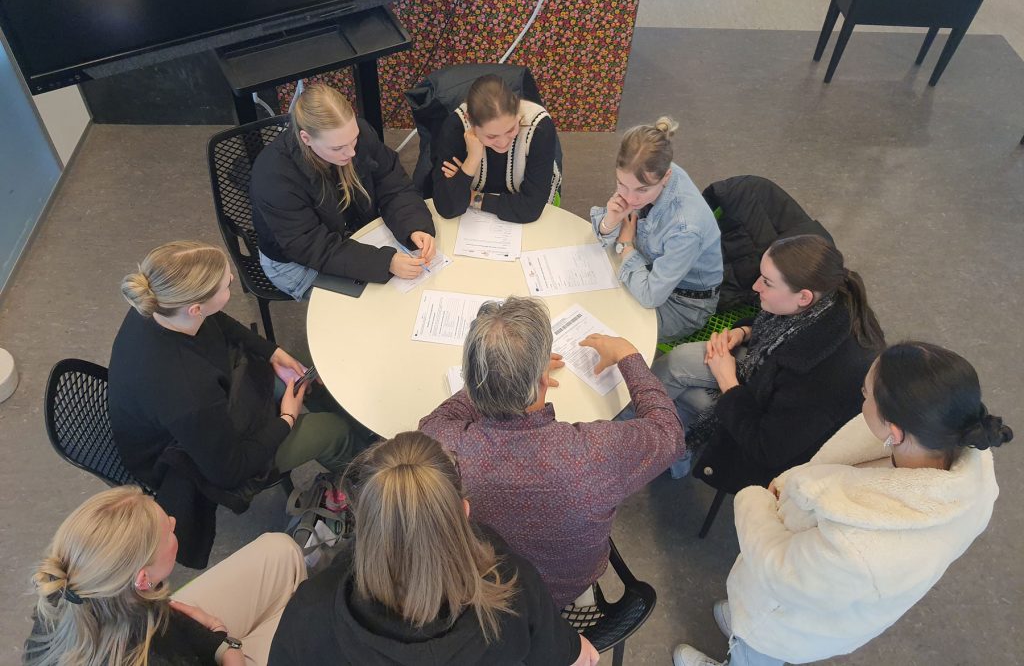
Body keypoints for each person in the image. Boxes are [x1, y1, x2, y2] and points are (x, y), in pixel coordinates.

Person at [672, 341, 1013, 666]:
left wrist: (753, 500)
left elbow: (781, 571)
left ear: (893, 431)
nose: (860, 397)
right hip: (831, 598)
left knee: (756, 652)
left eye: (866, 395)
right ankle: (741, 623)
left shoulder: (860, 547)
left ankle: (743, 642)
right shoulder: (962, 461)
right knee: (748, 627)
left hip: (787, 618)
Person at [419, 296, 685, 607]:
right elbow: (669, 432)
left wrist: (496, 374)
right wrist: (628, 355)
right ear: (543, 379)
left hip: (485, 584)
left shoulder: (446, 444)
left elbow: (432, 421)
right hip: (566, 589)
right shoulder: (592, 454)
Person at [109, 241, 359, 568]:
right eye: (226, 284)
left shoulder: (161, 304)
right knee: (334, 432)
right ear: (195, 308)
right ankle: (364, 479)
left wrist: (271, 352)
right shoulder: (187, 391)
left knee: (302, 382)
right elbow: (231, 470)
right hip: (196, 459)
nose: (232, 279)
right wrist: (286, 417)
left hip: (215, 408)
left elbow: (219, 323)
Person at [269, 431, 600, 666]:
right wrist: (578, 648)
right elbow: (578, 656)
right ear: (464, 513)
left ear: (360, 521)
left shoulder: (309, 613)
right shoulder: (510, 586)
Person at [652, 234, 884, 491]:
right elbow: (778, 325)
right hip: (766, 380)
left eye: (767, 283)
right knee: (679, 361)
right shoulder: (831, 300)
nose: (755, 286)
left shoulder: (828, 376)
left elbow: (767, 448)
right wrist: (744, 333)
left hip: (776, 446)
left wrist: (728, 381)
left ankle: (657, 443)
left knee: (690, 397)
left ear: (804, 297)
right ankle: (652, 434)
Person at [25, 486, 305, 666]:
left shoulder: (66, 596)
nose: (173, 522)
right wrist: (231, 650)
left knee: (282, 550)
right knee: (304, 633)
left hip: (165, 636)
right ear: (143, 579)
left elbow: (164, 624)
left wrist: (212, 634)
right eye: (167, 531)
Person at [251, 83, 436, 300]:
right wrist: (386, 262)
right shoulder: (274, 176)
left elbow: (392, 182)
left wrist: (414, 226)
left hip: (348, 234)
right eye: (337, 148)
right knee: (373, 303)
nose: (351, 152)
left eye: (354, 139)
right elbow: (308, 245)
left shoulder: (356, 135)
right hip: (295, 262)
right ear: (306, 138)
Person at [591, 117, 723, 343]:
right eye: (621, 184)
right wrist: (610, 221)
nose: (630, 198)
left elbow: (651, 296)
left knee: (609, 332)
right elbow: (607, 232)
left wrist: (625, 245)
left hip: (683, 303)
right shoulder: (645, 171)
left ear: (667, 176)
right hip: (649, 266)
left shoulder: (686, 228)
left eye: (642, 190)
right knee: (593, 302)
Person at [431, 74, 561, 223]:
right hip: (475, 222)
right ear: (470, 121)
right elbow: (447, 208)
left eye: (511, 129)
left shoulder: (539, 126)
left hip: (524, 220)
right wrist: (472, 160)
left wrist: (472, 197)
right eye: (491, 136)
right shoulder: (454, 128)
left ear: (518, 111)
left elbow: (530, 209)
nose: (503, 142)